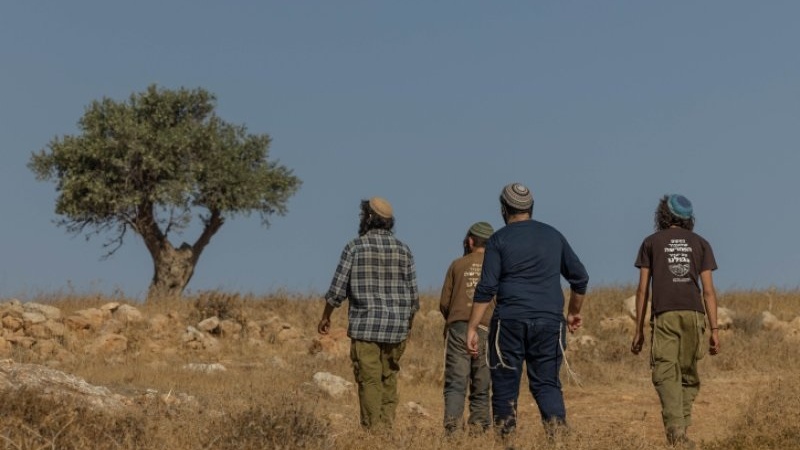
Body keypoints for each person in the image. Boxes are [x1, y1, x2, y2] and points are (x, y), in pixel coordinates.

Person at [467, 182, 589, 438]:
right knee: (547, 384)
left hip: (509, 322)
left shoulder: (498, 239)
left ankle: (507, 442)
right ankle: (561, 441)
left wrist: (472, 327)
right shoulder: (553, 235)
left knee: (504, 387)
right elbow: (580, 277)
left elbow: (487, 286)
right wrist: (573, 312)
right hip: (549, 322)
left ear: (503, 209)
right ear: (531, 208)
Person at [318, 197, 420, 430]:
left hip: (366, 326)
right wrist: (407, 326)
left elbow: (337, 290)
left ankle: (373, 433)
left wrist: (326, 316)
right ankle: (385, 429)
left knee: (369, 379)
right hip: (397, 328)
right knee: (389, 377)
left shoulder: (354, 247)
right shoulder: (404, 250)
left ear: (369, 218)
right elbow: (414, 298)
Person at [630, 194, 720, 449]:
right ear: (688, 218)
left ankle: (676, 430)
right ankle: (681, 432)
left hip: (665, 314)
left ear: (662, 215)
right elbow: (709, 291)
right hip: (695, 314)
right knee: (688, 374)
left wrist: (638, 329)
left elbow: (642, 290)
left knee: (665, 372)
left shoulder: (651, 243)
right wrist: (714, 329)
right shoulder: (701, 244)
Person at [439, 221, 496, 435]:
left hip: (458, 328)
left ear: (470, 241)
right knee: (482, 384)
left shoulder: (457, 265)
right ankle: (479, 430)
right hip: (485, 329)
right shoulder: (496, 266)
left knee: (456, 383)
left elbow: (444, 303)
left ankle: (452, 431)